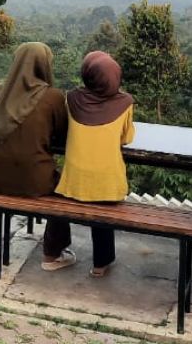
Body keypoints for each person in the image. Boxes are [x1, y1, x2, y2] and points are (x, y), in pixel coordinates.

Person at [0, 42, 75, 270]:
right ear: (44, 65)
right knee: (63, 189)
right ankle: (52, 254)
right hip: (36, 179)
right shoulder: (53, 97)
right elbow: (62, 135)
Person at [55, 51, 135, 277]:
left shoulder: (71, 98)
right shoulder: (125, 102)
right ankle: (101, 264)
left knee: (57, 201)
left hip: (74, 182)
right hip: (107, 184)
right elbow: (126, 138)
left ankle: (54, 251)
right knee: (103, 209)